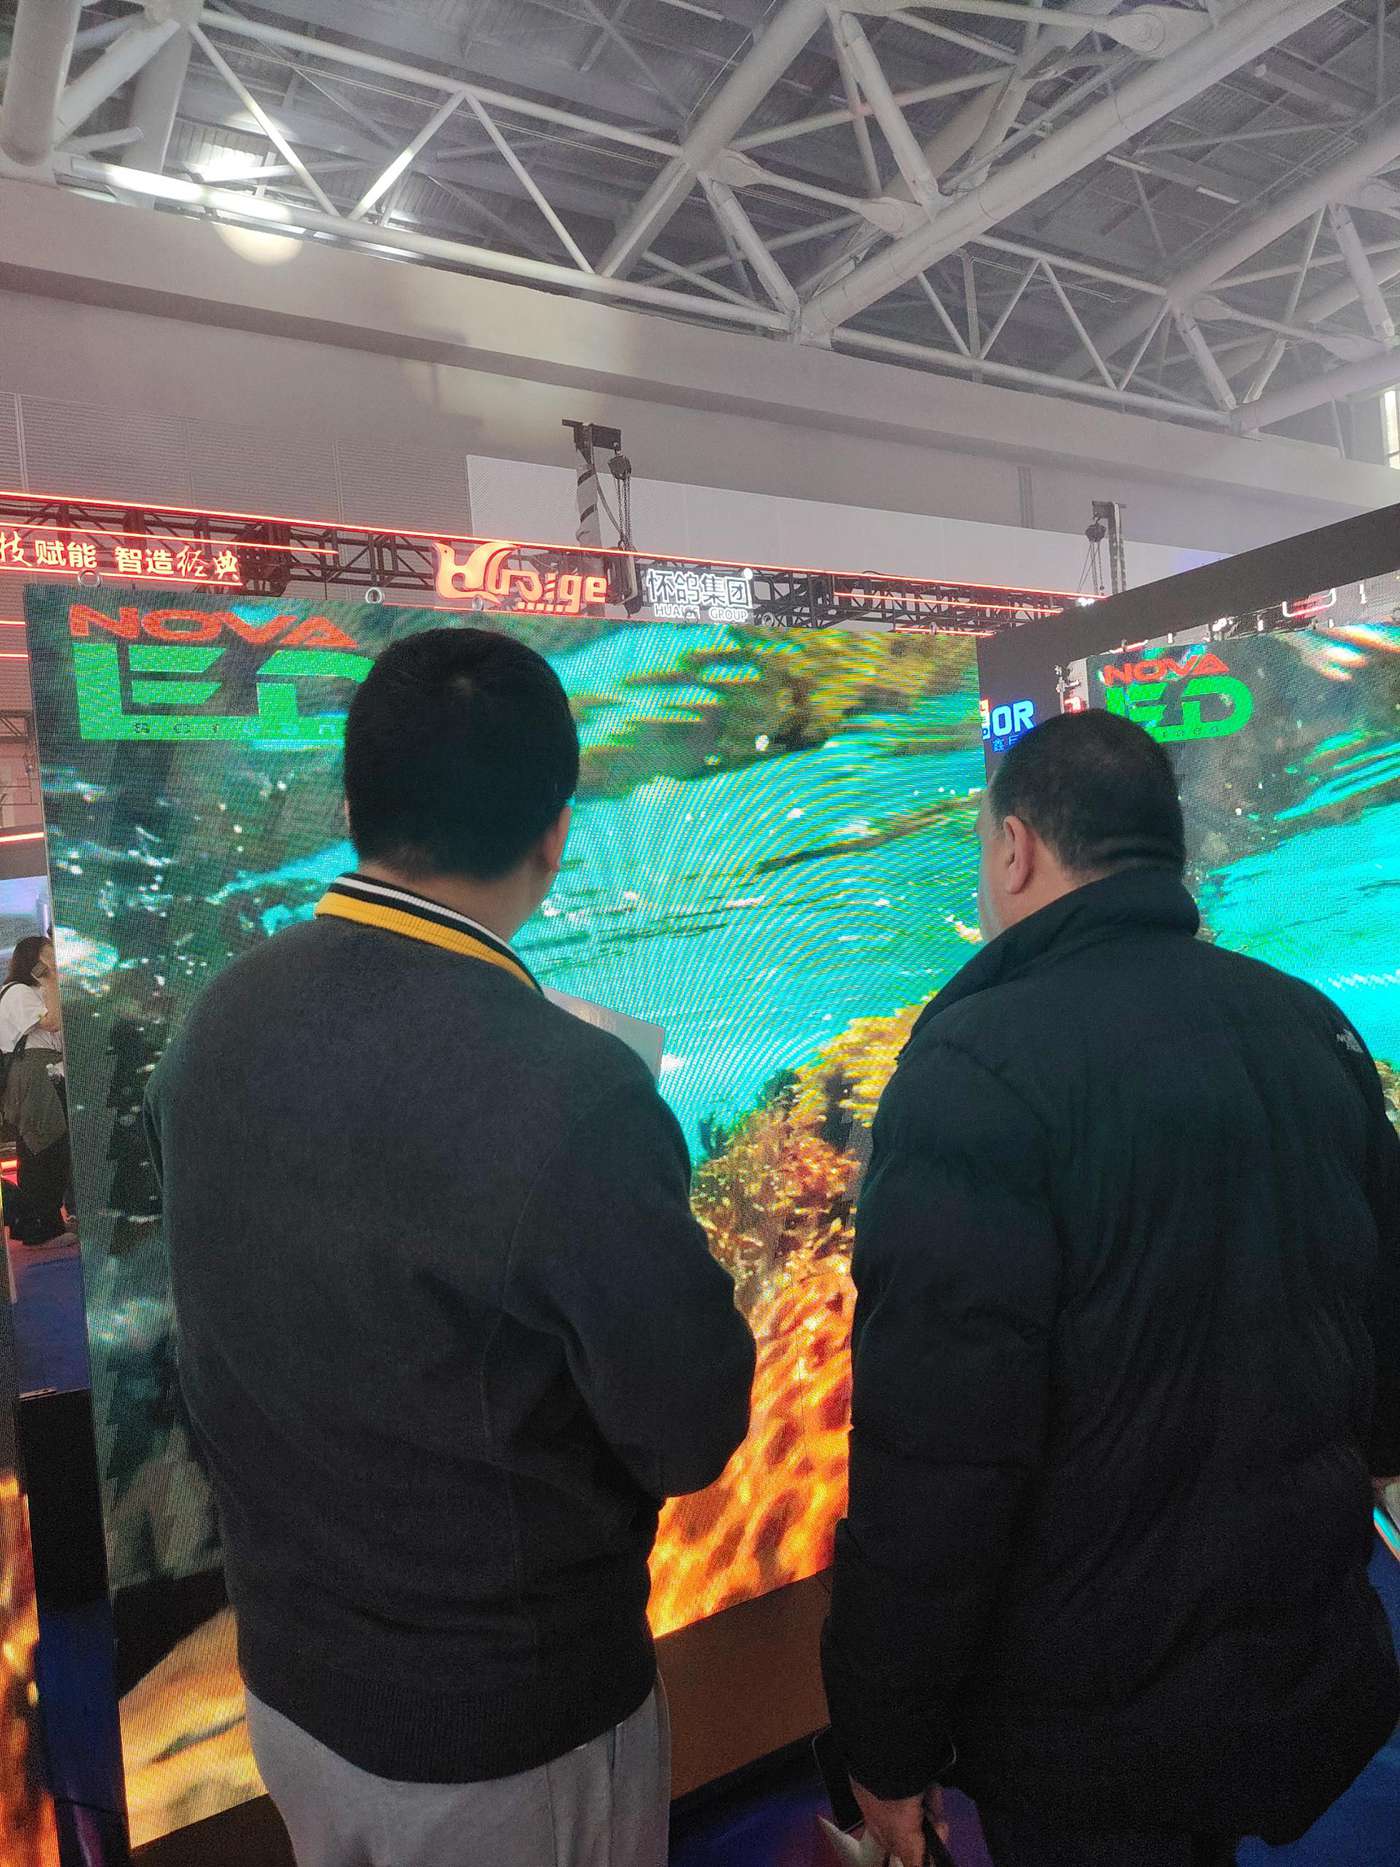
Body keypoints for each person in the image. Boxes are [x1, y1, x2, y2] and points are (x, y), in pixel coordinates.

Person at [145, 628, 756, 1867]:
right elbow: (690, 1430)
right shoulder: (571, 1090)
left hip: (293, 1686)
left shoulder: (215, 1023)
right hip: (505, 1732)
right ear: (556, 833)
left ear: (353, 806)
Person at [823, 710, 1400, 1867]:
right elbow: (1378, 1338)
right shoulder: (1311, 1027)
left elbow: (935, 1461)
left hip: (1087, 1721)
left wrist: (883, 1737)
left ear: (1014, 849)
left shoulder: (972, 1068)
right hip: (1286, 1657)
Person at [0, 935, 75, 1250]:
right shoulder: (17, 992)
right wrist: (53, 980)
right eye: (48, 954)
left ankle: (48, 1221)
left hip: (45, 1070)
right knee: (42, 1145)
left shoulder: (33, 991)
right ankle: (40, 1229)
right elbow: (52, 1022)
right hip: (32, 1072)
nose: (54, 959)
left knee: (52, 1145)